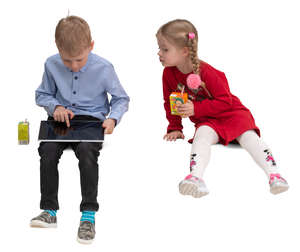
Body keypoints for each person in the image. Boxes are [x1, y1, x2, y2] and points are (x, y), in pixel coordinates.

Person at [156, 19, 288, 198]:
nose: (159, 53)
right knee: (201, 137)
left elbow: (226, 101)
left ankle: (275, 175)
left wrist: (196, 108)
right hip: (208, 121)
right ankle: (195, 178)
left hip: (233, 115)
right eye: (159, 48)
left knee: (249, 138)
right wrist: (175, 127)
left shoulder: (208, 72)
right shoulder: (168, 74)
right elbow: (169, 101)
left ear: (184, 51)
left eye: (165, 49)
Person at [30, 15, 129, 244]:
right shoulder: (50, 64)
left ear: (91, 47)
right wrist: (55, 107)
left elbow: (121, 98)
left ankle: (88, 215)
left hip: (91, 122)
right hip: (60, 121)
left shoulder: (104, 67)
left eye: (79, 59)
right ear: (58, 49)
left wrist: (113, 119)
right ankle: (49, 211)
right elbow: (41, 94)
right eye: (67, 60)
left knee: (86, 152)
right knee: (47, 152)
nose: (73, 65)